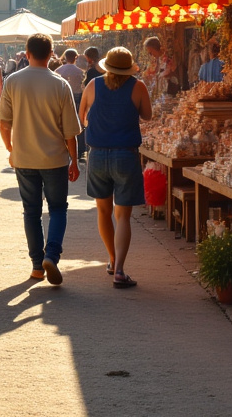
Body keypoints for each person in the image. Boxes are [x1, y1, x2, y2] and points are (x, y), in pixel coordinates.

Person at [0, 33, 81, 285]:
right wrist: (74, 160)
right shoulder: (60, 84)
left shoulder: (13, 81)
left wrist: (11, 148)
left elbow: (4, 123)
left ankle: (37, 266)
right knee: (58, 209)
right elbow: (70, 132)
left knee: (31, 211)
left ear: (27, 53)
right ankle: (51, 255)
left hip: (24, 158)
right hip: (55, 159)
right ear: (51, 53)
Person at [78, 47, 153, 289]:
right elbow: (148, 115)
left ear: (107, 66)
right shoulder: (138, 86)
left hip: (98, 154)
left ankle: (111, 259)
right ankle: (119, 270)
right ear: (129, 68)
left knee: (103, 211)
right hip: (125, 155)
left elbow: (82, 116)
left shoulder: (93, 85)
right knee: (123, 216)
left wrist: (98, 123)